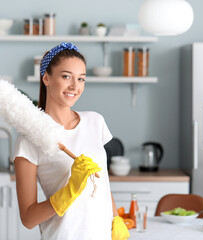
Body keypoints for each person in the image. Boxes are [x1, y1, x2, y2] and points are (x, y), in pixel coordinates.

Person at [13, 42, 129, 240]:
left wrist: (116, 219)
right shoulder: (30, 139)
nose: (75, 87)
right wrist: (69, 192)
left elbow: (102, 183)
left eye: (81, 79)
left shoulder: (95, 122)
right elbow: (28, 218)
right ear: (46, 78)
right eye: (66, 76)